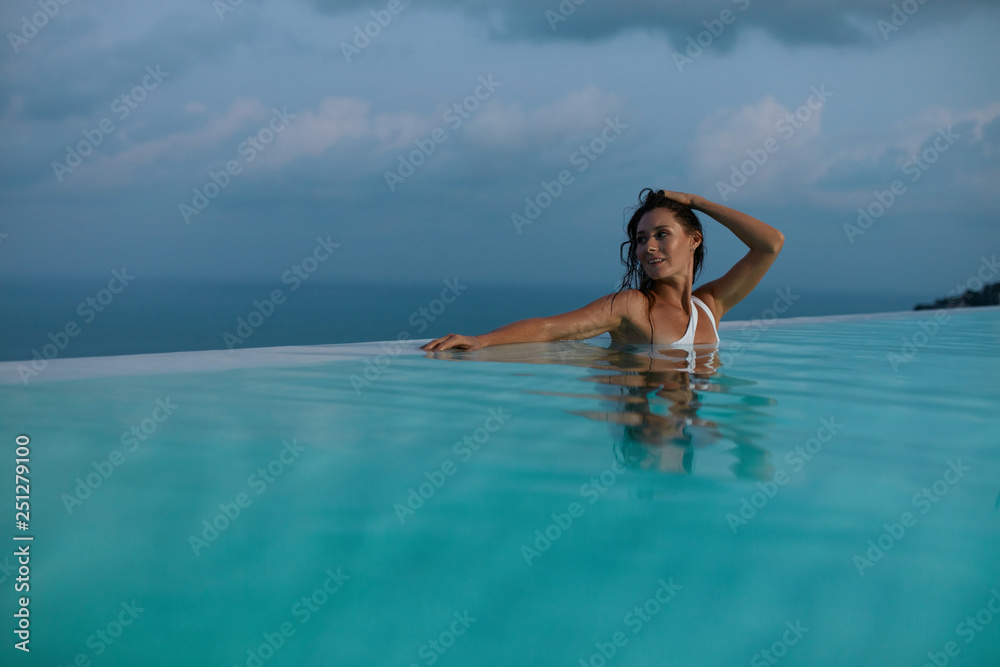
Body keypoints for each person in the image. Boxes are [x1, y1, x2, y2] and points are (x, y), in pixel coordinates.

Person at [419, 188, 784, 352]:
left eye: (661, 235)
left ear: (694, 240)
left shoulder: (711, 306)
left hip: (689, 429)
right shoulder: (633, 307)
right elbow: (551, 329)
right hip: (644, 426)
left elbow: (770, 244)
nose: (648, 247)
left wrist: (698, 202)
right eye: (641, 239)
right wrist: (482, 341)